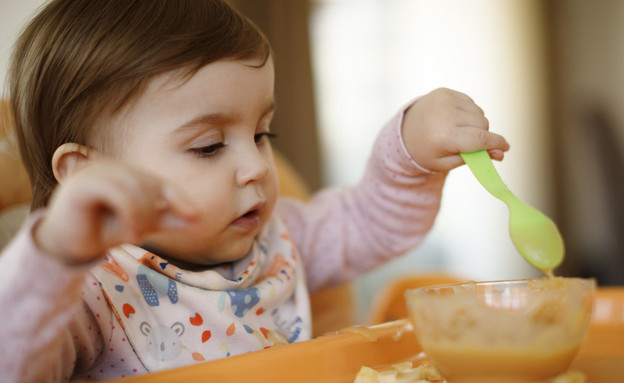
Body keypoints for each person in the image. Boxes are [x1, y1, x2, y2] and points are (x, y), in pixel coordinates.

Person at [0, 0, 509, 381]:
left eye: (263, 133)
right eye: (208, 146)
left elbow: (368, 222)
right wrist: (53, 256)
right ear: (87, 176)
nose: (256, 166)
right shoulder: (88, 295)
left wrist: (411, 149)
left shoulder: (280, 238)